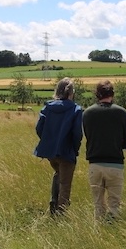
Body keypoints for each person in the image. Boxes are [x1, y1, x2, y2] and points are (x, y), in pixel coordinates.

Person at [82, 80, 126, 221]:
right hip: (115, 163)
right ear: (112, 94)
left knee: (98, 204)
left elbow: (88, 135)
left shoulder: (88, 113)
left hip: (95, 163)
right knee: (114, 203)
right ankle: (113, 228)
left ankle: (99, 232)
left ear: (97, 94)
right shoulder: (122, 113)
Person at [34, 77, 83, 216]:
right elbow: (77, 134)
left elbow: (39, 128)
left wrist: (49, 141)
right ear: (71, 92)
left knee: (58, 174)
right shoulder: (76, 109)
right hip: (67, 152)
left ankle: (53, 204)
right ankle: (60, 214)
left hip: (50, 153)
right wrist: (75, 148)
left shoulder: (47, 107)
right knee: (65, 183)